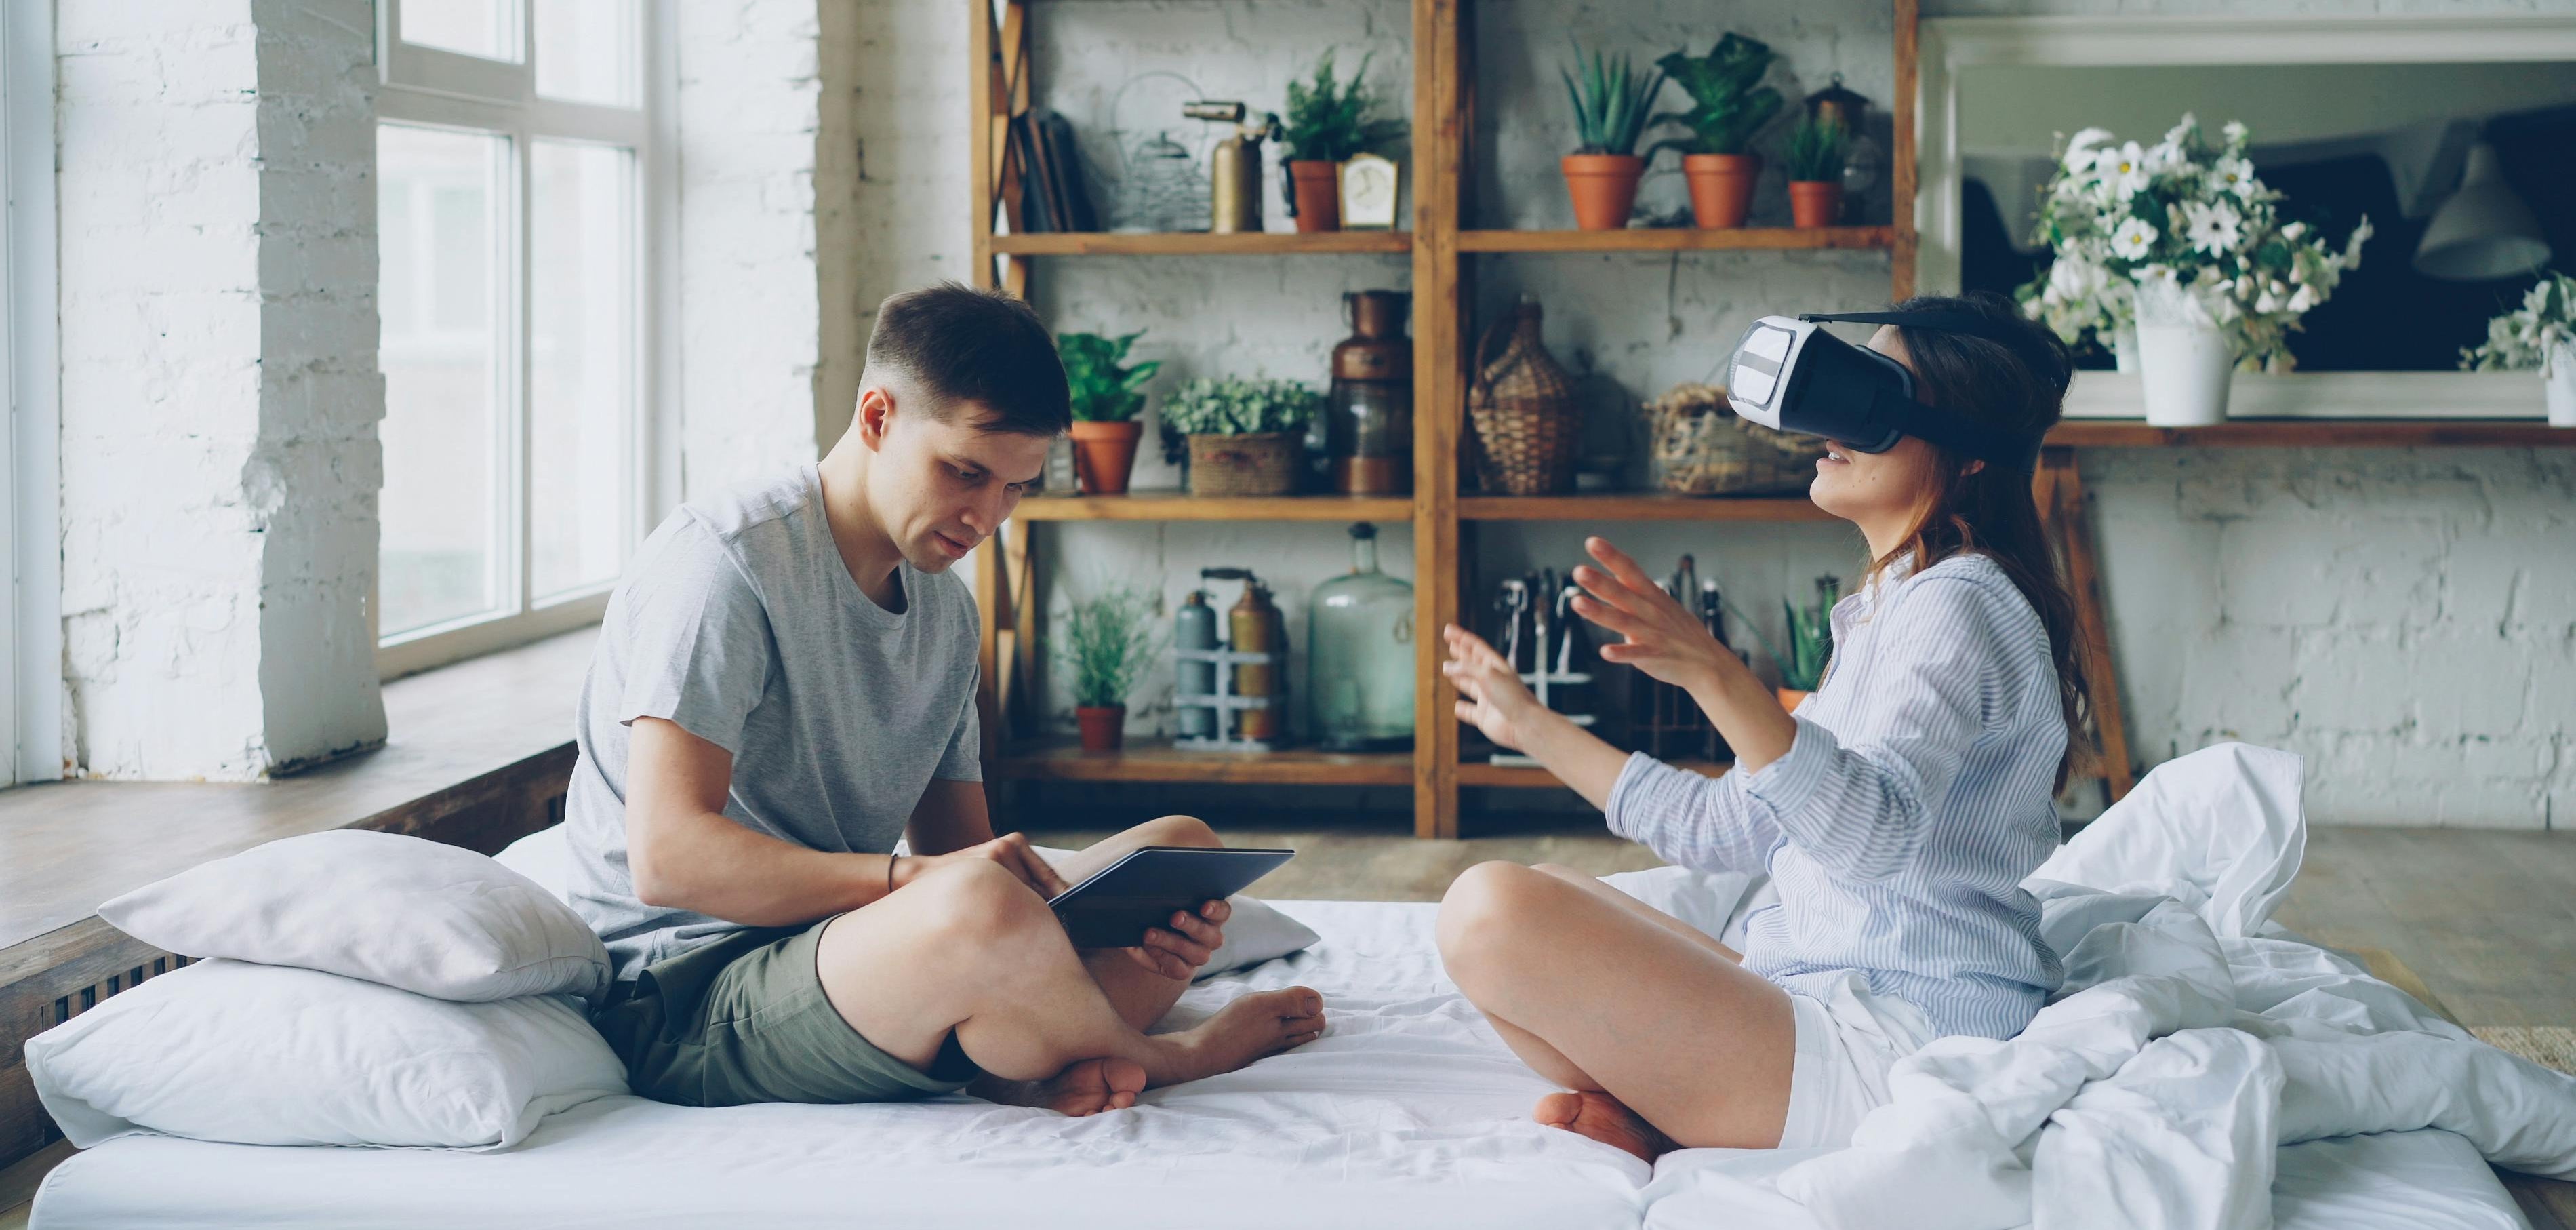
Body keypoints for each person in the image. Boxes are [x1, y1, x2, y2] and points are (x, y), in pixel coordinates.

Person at [564, 282, 1324, 1118]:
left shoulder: (944, 611)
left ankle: (1027, 1049)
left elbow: (969, 855)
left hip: (853, 957)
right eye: (964, 472)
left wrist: (1133, 932)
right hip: (686, 995)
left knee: (1176, 848)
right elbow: (668, 857)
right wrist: (915, 881)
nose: (984, 516)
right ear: (877, 416)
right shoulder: (724, 564)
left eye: (1014, 489)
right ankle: (1153, 1055)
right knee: (973, 903)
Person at [1432, 291, 2089, 1160]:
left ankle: (1681, 1115)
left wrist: (1712, 671)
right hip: (1824, 1003)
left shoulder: (1958, 604)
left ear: (1969, 457)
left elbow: (1870, 835)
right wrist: (1529, 724)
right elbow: (1724, 825)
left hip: (1898, 1051)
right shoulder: (1892, 605)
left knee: (1490, 910)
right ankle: (1683, 1109)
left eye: (1874, 398)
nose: (1827, 423)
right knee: (1549, 887)